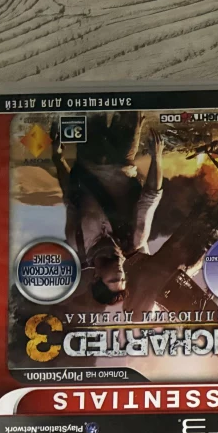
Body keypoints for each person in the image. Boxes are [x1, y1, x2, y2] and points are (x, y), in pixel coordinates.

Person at [50, 113, 164, 305]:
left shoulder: (77, 240)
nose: (120, 275)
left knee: (90, 105)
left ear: (96, 277)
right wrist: (157, 157)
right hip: (122, 156)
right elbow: (150, 197)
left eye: (113, 280)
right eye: (123, 279)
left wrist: (57, 158)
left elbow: (70, 196)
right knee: (130, 104)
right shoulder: (134, 240)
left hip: (87, 155)